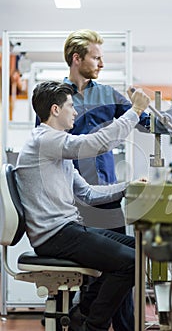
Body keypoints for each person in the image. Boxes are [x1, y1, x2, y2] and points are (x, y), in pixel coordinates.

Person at [62, 29, 172, 331]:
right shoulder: (55, 98)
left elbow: (151, 122)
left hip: (108, 198)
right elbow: (50, 145)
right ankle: (84, 316)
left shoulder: (107, 95)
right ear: (77, 59)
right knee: (94, 272)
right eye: (96, 57)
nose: (101, 63)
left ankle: (116, 324)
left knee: (125, 266)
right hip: (72, 199)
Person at [15, 81, 150, 331]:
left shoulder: (56, 145)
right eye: (70, 106)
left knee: (139, 248)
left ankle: (82, 315)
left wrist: (126, 186)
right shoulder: (44, 140)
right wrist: (135, 112)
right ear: (55, 110)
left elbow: (87, 192)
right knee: (132, 262)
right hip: (56, 235)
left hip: (68, 230)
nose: (75, 112)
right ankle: (93, 325)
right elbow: (95, 144)